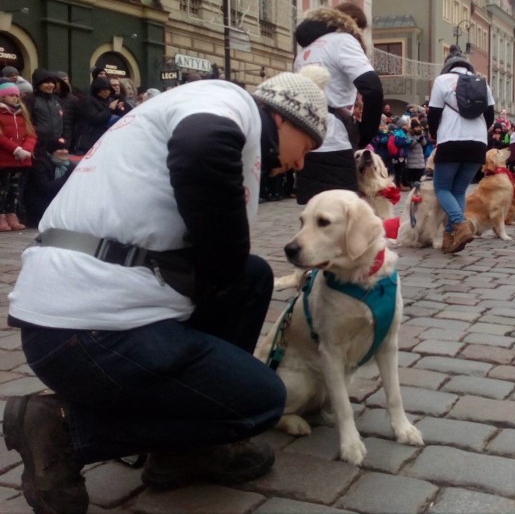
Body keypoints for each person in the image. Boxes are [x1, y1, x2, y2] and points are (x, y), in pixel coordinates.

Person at [3, 68, 329, 514]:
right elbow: (202, 145)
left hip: (70, 330)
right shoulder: (227, 102)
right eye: (306, 147)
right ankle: (65, 430)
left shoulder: (185, 106)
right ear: (284, 120)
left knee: (250, 278)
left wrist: (226, 271)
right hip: (89, 337)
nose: (300, 163)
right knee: (261, 400)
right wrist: (223, 263)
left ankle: (186, 451)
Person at [293, 4, 383, 204]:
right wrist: (365, 133)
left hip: (308, 140)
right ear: (354, 25)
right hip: (335, 140)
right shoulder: (343, 41)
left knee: (316, 216)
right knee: (342, 217)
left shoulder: (306, 50)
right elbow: (372, 87)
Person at [427, 49, 495, 253]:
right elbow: (490, 114)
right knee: (458, 190)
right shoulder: (481, 82)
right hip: (478, 142)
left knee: (442, 187)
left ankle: (460, 223)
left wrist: (433, 133)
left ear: (447, 66)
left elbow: (434, 113)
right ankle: (450, 238)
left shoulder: (442, 81)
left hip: (451, 139)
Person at [0, 81, 36, 231]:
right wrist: (16, 149)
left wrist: (26, 149)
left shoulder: (22, 114)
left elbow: (31, 134)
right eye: (11, 95)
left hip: (21, 160)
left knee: (15, 190)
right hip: (5, 159)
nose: (15, 98)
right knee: (3, 189)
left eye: (17, 95)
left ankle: (11, 214)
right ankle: (1, 215)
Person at [22, 138, 74, 227]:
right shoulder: (41, 164)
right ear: (51, 151)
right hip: (41, 207)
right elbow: (46, 188)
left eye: (65, 149)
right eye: (60, 149)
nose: (64, 151)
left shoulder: (70, 166)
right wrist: (66, 178)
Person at [25, 68, 65, 148]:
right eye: (47, 82)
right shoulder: (30, 100)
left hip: (56, 143)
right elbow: (27, 121)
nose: (51, 85)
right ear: (38, 84)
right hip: (37, 143)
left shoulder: (56, 100)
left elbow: (63, 121)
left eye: (52, 82)